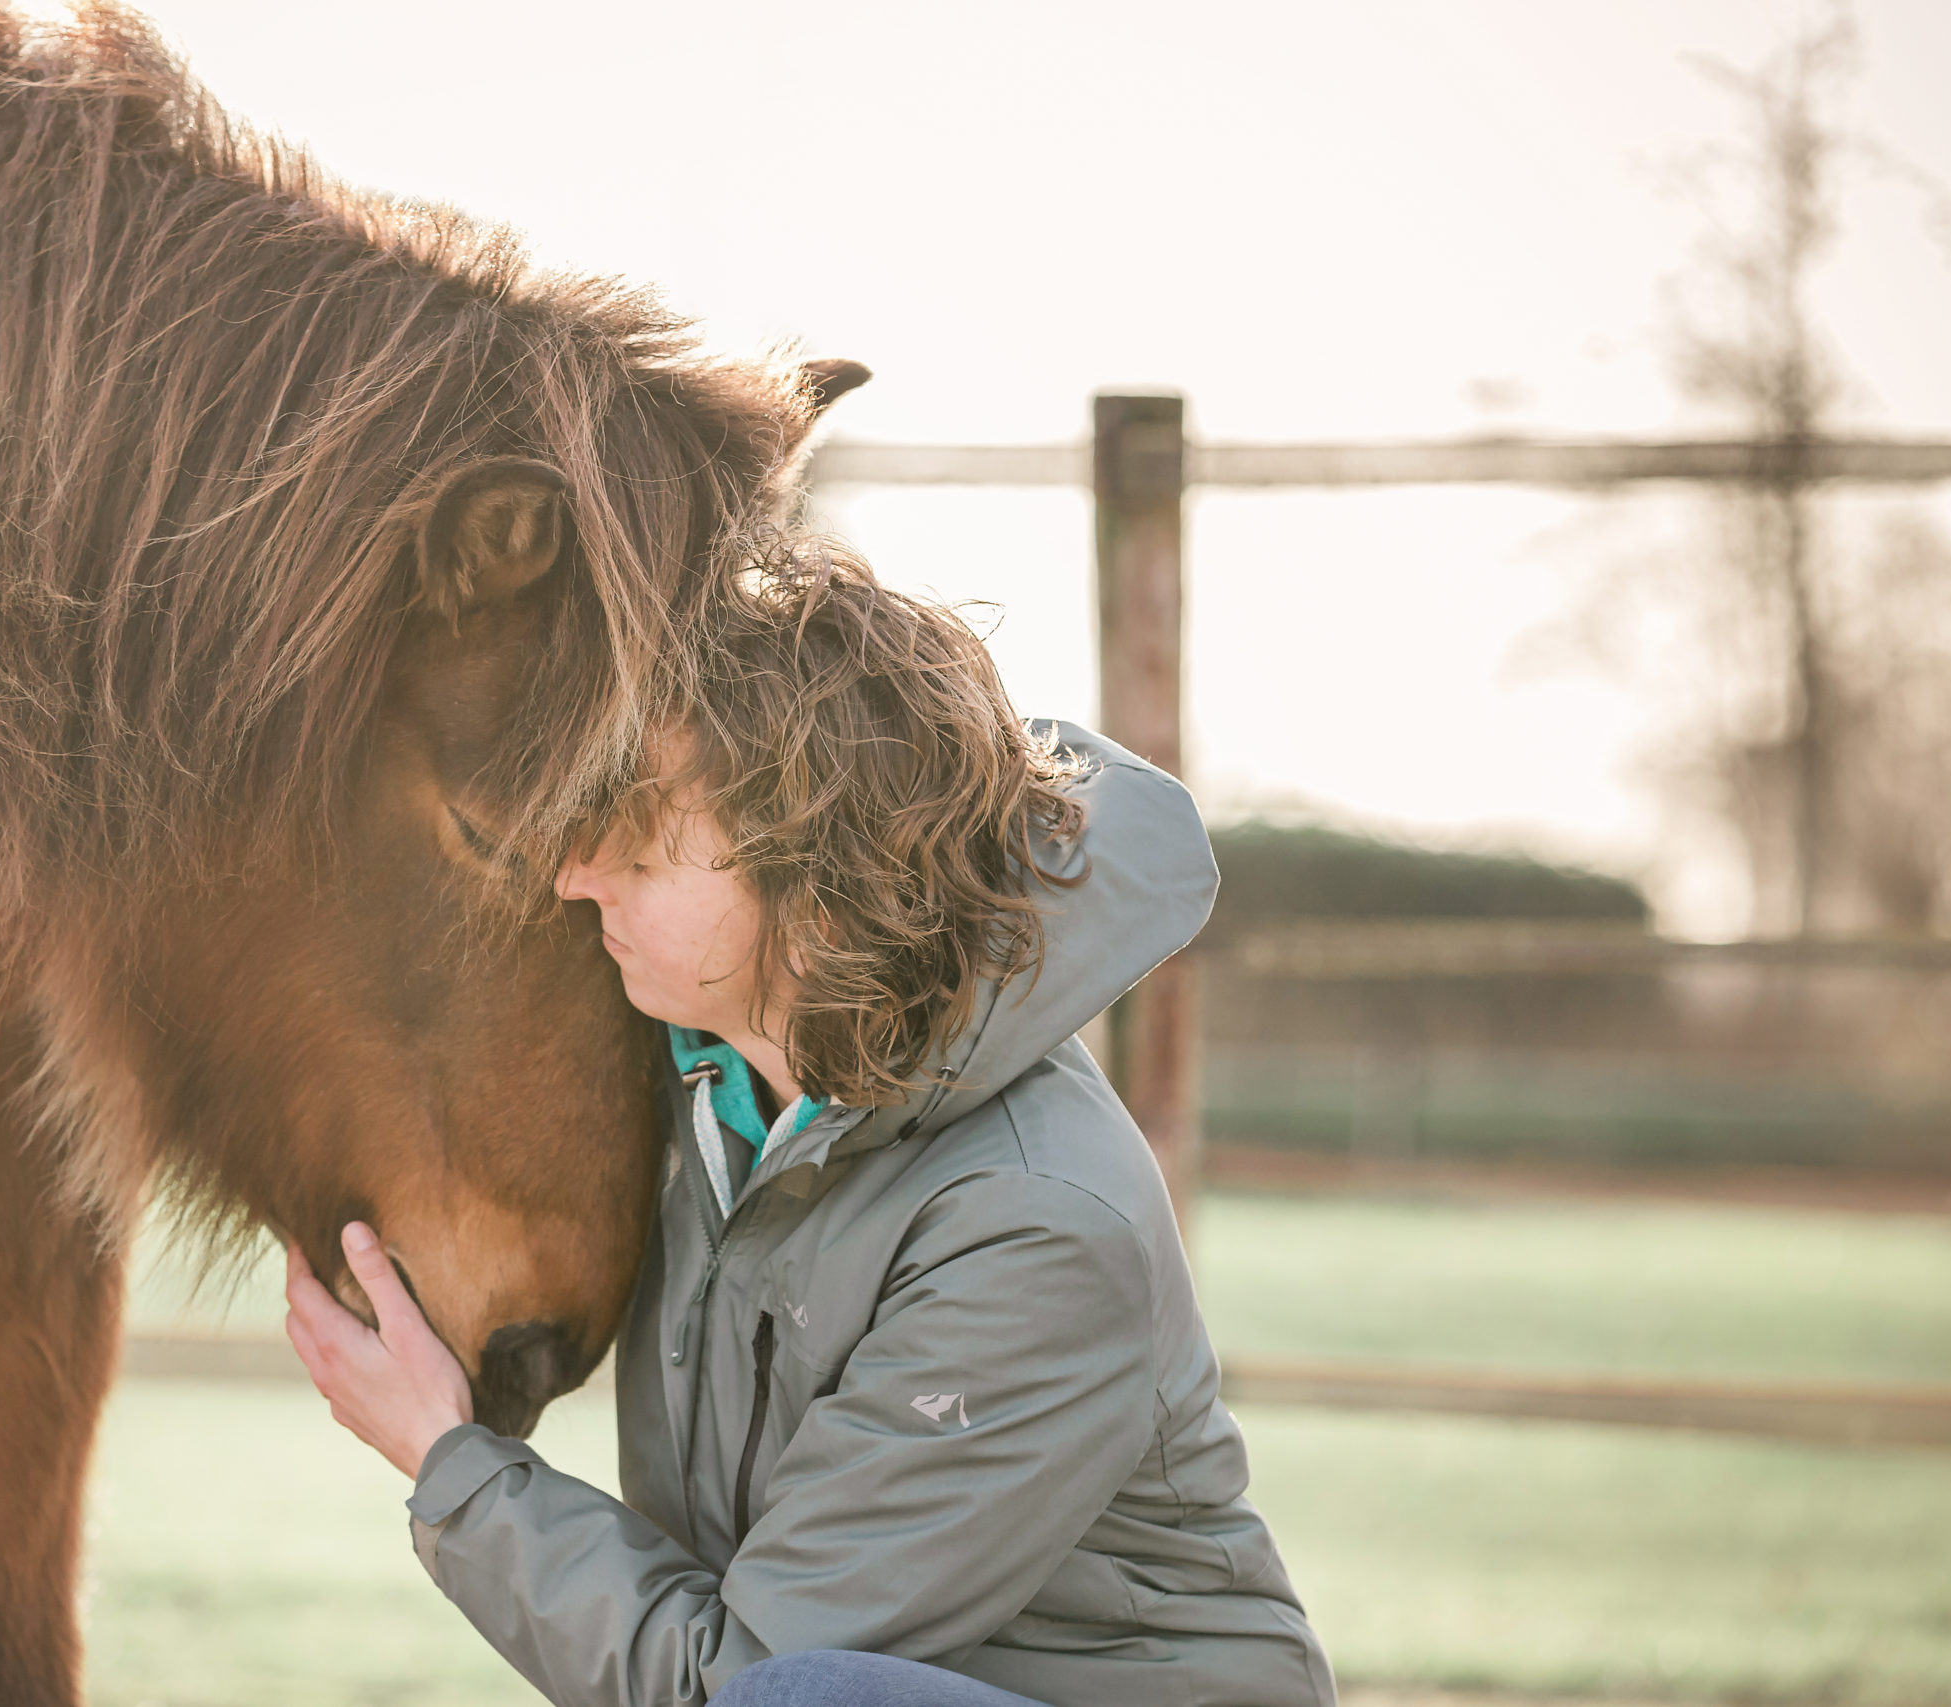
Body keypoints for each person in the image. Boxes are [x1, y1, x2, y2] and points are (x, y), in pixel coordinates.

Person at [282, 543, 1334, 1707]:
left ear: (813, 872)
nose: (576, 877)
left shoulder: (1033, 1226)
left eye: (636, 835)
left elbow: (739, 1679)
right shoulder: (712, 1079)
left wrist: (448, 1461)